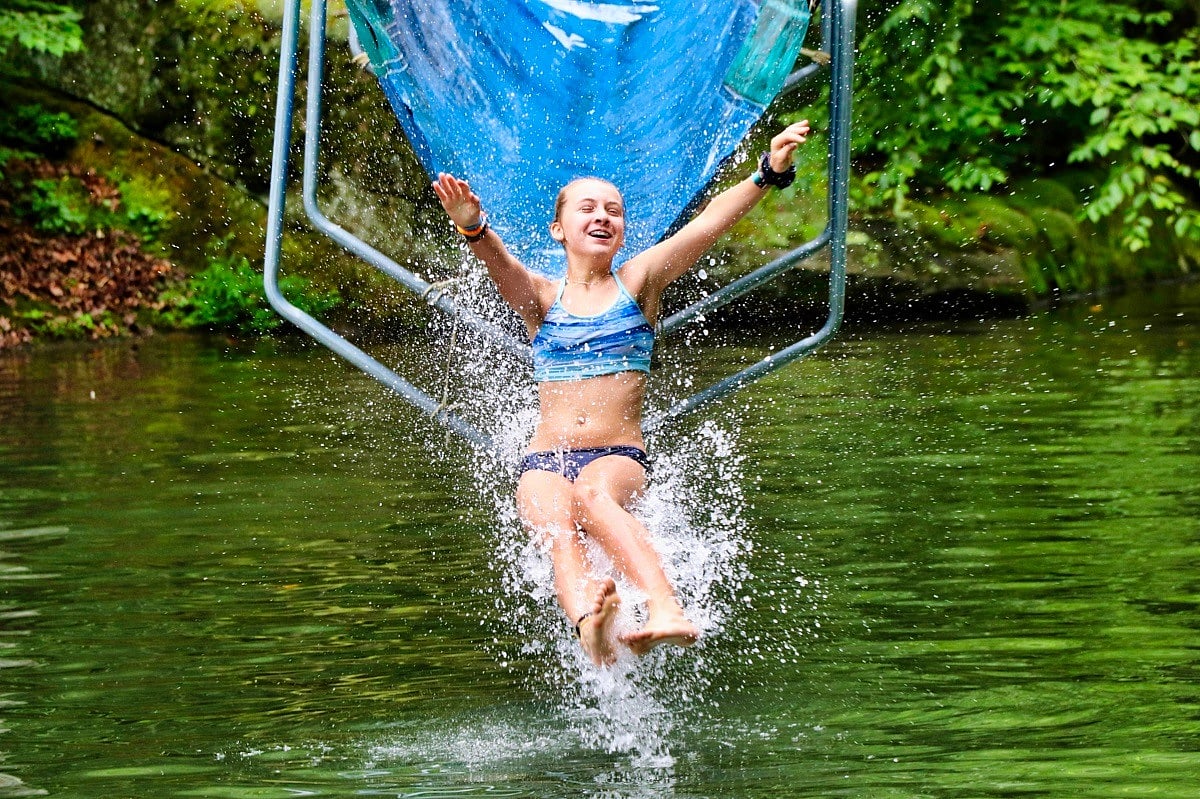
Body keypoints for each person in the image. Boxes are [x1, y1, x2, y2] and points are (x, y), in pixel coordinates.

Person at [432, 121, 811, 666]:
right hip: (545, 457)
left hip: (616, 457)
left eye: (613, 210)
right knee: (555, 524)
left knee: (591, 496)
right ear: (559, 229)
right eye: (587, 208)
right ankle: (590, 625)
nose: (602, 216)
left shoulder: (639, 281)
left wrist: (768, 173)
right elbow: (499, 266)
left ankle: (665, 608)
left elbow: (708, 223)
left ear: (623, 230)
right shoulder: (541, 297)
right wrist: (473, 227)